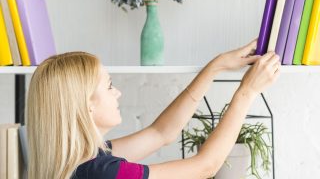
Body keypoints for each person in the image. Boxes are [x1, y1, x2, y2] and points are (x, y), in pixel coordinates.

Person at [26, 39, 280, 179]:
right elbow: (205, 166)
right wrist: (248, 92)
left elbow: (162, 133)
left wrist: (216, 67)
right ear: (86, 105)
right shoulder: (105, 173)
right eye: (110, 86)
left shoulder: (85, 160)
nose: (118, 93)